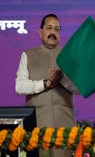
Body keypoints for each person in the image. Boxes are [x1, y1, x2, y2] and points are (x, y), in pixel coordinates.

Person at [15, 14, 79, 157]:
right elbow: (19, 86)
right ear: (40, 32)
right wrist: (46, 83)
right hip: (37, 126)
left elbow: (79, 87)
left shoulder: (69, 56)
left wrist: (62, 79)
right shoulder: (28, 55)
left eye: (56, 29)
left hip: (65, 126)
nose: (53, 32)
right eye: (49, 28)